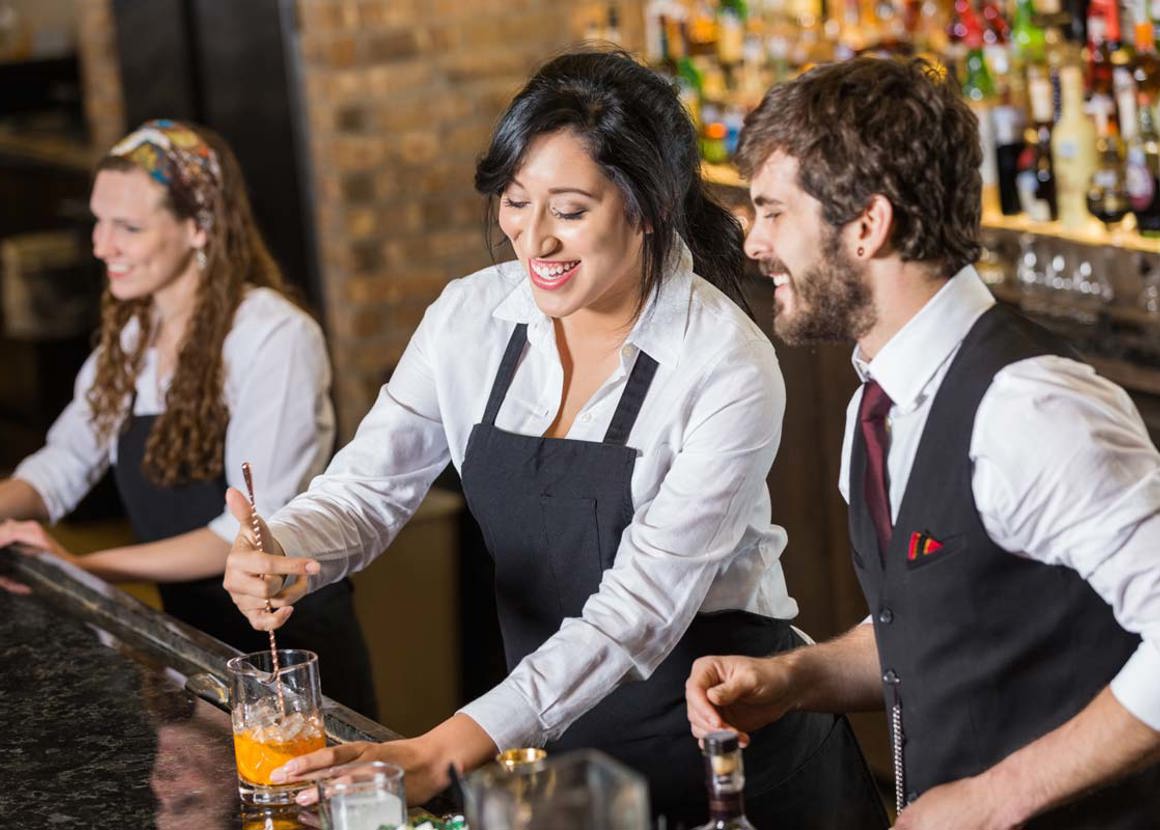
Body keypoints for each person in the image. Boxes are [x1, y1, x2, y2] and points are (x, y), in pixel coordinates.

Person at [221, 50, 888, 828]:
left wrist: (442, 750)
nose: (530, 241)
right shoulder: (470, 318)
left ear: (648, 208)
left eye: (569, 211)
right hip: (557, 746)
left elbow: (635, 613)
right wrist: (288, 551)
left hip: (728, 755)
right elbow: (369, 488)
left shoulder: (725, 365)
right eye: (514, 201)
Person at [685, 57, 1160, 829]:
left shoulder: (1030, 409)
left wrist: (992, 799)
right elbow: (940, 625)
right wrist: (796, 679)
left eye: (774, 213)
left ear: (867, 226)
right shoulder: (879, 400)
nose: (754, 244)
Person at [0, 119, 376, 718]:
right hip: (196, 645)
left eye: (128, 228)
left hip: (285, 651)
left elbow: (248, 533)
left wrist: (82, 568)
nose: (101, 246)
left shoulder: (273, 337)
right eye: (98, 222)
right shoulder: (131, 338)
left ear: (199, 226)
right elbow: (63, 462)